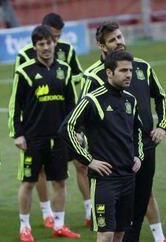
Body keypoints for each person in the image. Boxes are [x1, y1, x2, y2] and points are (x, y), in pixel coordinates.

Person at [79, 21, 166, 242]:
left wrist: (162, 126)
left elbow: (161, 97)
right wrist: (84, 143)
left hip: (145, 145)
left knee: (140, 202)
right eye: (112, 40)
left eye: (119, 37)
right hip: (113, 154)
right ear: (102, 46)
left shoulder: (143, 67)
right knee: (117, 215)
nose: (119, 42)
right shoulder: (92, 77)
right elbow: (80, 116)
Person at [60, 50, 144, 242]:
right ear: (109, 72)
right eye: (123, 70)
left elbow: (137, 130)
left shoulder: (130, 100)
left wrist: (138, 155)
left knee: (120, 233)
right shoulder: (92, 99)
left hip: (128, 177)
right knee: (105, 235)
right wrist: (88, 160)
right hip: (105, 180)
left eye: (130, 70)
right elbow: (66, 128)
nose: (129, 74)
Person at [14, 13, 86, 228]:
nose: (47, 46)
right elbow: (15, 103)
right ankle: (28, 223)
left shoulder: (64, 68)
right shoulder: (24, 68)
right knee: (30, 180)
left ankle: (59, 224)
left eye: (50, 42)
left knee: (62, 180)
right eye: (42, 43)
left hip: (59, 133)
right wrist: (18, 132)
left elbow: (73, 102)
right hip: (33, 134)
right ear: (35, 46)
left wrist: (77, 129)